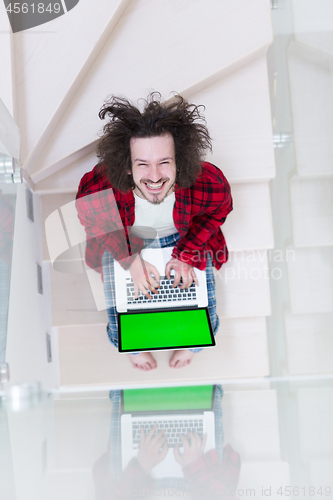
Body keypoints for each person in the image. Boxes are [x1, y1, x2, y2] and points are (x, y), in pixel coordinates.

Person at [76, 93, 232, 371]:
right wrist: (130, 260)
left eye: (164, 162)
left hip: (183, 238)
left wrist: (187, 254)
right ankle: (134, 349)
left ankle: (191, 344)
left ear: (179, 161)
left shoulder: (207, 181)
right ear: (126, 165)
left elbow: (219, 210)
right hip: (127, 238)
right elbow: (94, 222)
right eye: (142, 164)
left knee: (204, 318)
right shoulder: (101, 186)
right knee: (122, 323)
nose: (155, 176)